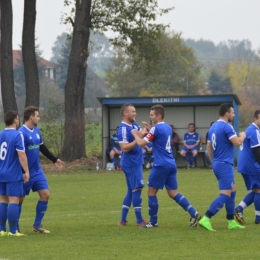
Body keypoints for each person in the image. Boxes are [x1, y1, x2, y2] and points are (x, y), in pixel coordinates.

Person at [132, 104, 201, 228]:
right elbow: (158, 137)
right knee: (173, 192)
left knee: (151, 192)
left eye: (152, 115)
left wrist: (136, 134)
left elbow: (142, 143)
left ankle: (153, 222)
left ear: (159, 115)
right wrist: (151, 129)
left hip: (160, 164)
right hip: (171, 163)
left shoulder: (155, 129)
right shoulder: (168, 127)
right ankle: (193, 213)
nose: (150, 117)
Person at [199, 103, 246, 231]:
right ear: (227, 114)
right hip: (225, 164)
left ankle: (231, 221)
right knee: (225, 194)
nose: (234, 115)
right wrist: (242, 136)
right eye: (232, 112)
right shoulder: (227, 126)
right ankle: (206, 218)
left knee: (232, 191)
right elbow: (237, 142)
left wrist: (213, 163)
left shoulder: (213, 126)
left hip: (218, 163)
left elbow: (209, 147)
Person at [17, 106, 63, 234]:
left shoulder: (37, 130)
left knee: (45, 194)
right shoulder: (21, 133)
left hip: (37, 171)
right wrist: (23, 171)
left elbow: (42, 148)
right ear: (31, 117)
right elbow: (19, 154)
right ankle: (16, 226)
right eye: (37, 115)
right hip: (24, 172)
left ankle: (37, 225)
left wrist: (54, 160)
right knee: (19, 200)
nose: (39, 118)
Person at [117, 104, 148, 227]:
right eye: (133, 111)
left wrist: (145, 132)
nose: (135, 113)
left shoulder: (134, 125)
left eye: (135, 111)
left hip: (136, 162)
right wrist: (137, 139)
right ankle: (140, 221)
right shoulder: (123, 128)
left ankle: (122, 220)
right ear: (125, 113)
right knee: (137, 189)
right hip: (131, 164)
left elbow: (139, 136)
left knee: (131, 190)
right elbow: (124, 148)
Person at [0, 111, 30, 236]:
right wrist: (26, 171)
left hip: (1, 172)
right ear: (15, 120)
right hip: (13, 173)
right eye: (18, 118)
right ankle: (13, 231)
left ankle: (1, 230)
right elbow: (21, 154)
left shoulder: (1, 134)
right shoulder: (17, 135)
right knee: (14, 200)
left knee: (2, 200)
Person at [235, 110, 260, 225]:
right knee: (259, 190)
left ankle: (239, 209)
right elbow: (257, 151)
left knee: (256, 189)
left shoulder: (252, 130)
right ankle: (258, 218)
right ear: (255, 119)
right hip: (251, 164)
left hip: (245, 163)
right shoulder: (254, 130)